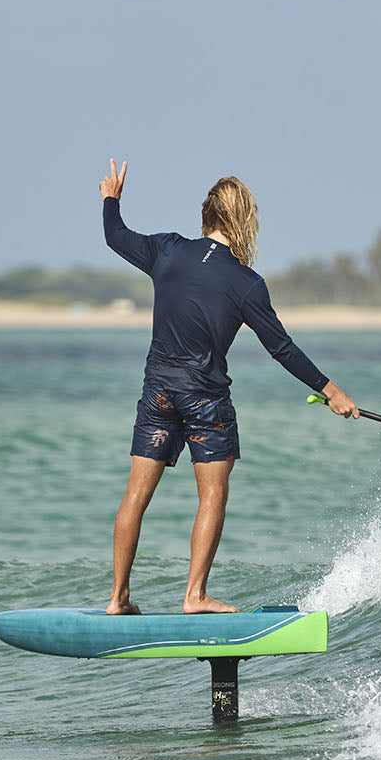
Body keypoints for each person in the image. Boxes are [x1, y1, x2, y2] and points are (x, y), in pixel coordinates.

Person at [99, 159, 358, 615]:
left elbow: (115, 236)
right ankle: (195, 595)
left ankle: (118, 598)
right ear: (243, 221)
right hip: (205, 400)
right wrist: (331, 390)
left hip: (158, 393)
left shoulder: (167, 250)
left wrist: (111, 200)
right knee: (213, 495)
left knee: (135, 495)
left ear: (207, 214)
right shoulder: (246, 284)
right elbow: (282, 348)